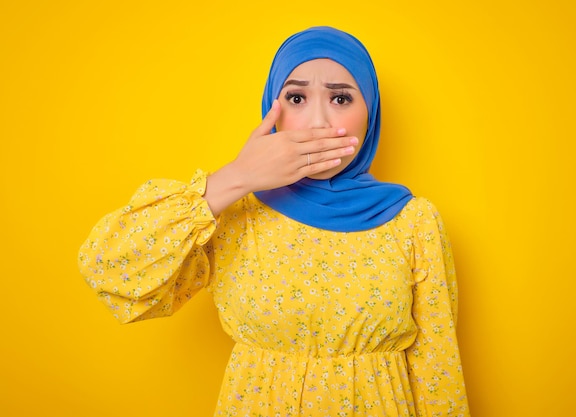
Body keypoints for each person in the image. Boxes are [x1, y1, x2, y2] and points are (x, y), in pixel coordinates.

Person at [78, 26, 470, 417]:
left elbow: (437, 369)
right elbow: (109, 270)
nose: (318, 121)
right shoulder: (233, 213)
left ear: (370, 112)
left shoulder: (413, 221)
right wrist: (235, 177)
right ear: (272, 111)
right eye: (297, 98)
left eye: (340, 98)